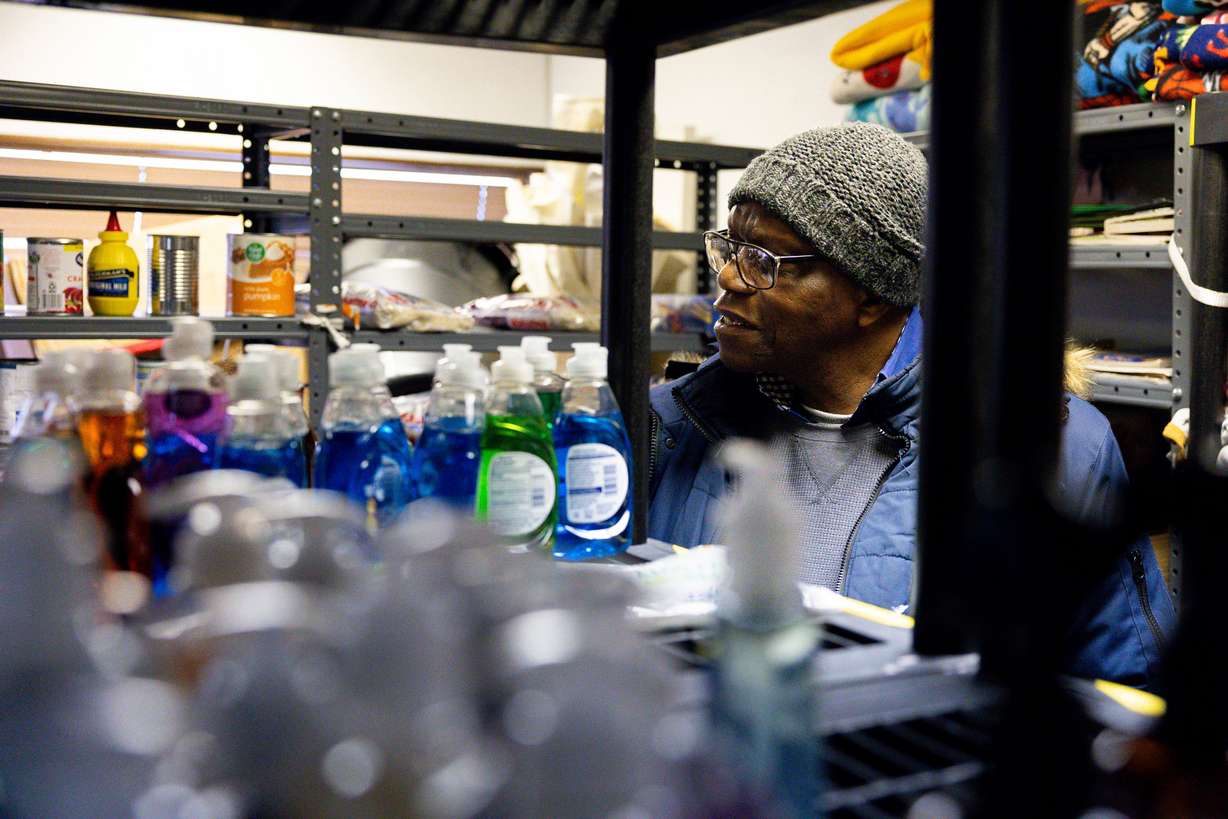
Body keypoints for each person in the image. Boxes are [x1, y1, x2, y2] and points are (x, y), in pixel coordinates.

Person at [647, 122, 1174, 689]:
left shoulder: (1053, 447)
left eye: (763, 260)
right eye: (729, 247)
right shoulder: (671, 425)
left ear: (872, 296)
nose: (726, 277)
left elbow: (1122, 686)